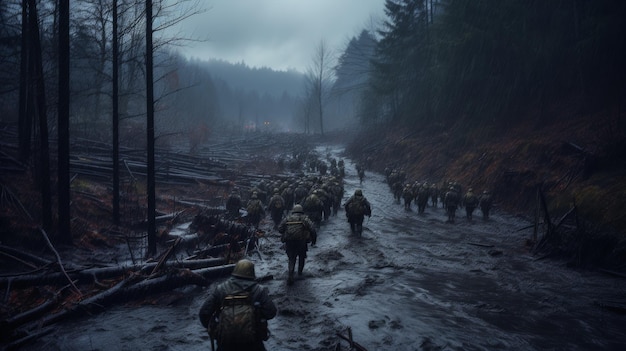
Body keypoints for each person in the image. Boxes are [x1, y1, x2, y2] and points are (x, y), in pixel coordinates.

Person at [199, 259, 277, 351]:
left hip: (225, 342)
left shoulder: (220, 289)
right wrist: (256, 317)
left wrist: (218, 330)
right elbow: (271, 312)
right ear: (252, 273)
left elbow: (204, 313)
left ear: (235, 271)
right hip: (253, 341)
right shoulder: (259, 290)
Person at [278, 205, 317, 285]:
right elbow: (312, 229)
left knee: (291, 259)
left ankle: (290, 275)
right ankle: (299, 273)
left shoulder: (287, 218)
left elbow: (280, 229)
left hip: (289, 242)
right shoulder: (304, 218)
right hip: (301, 242)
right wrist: (313, 240)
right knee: (302, 257)